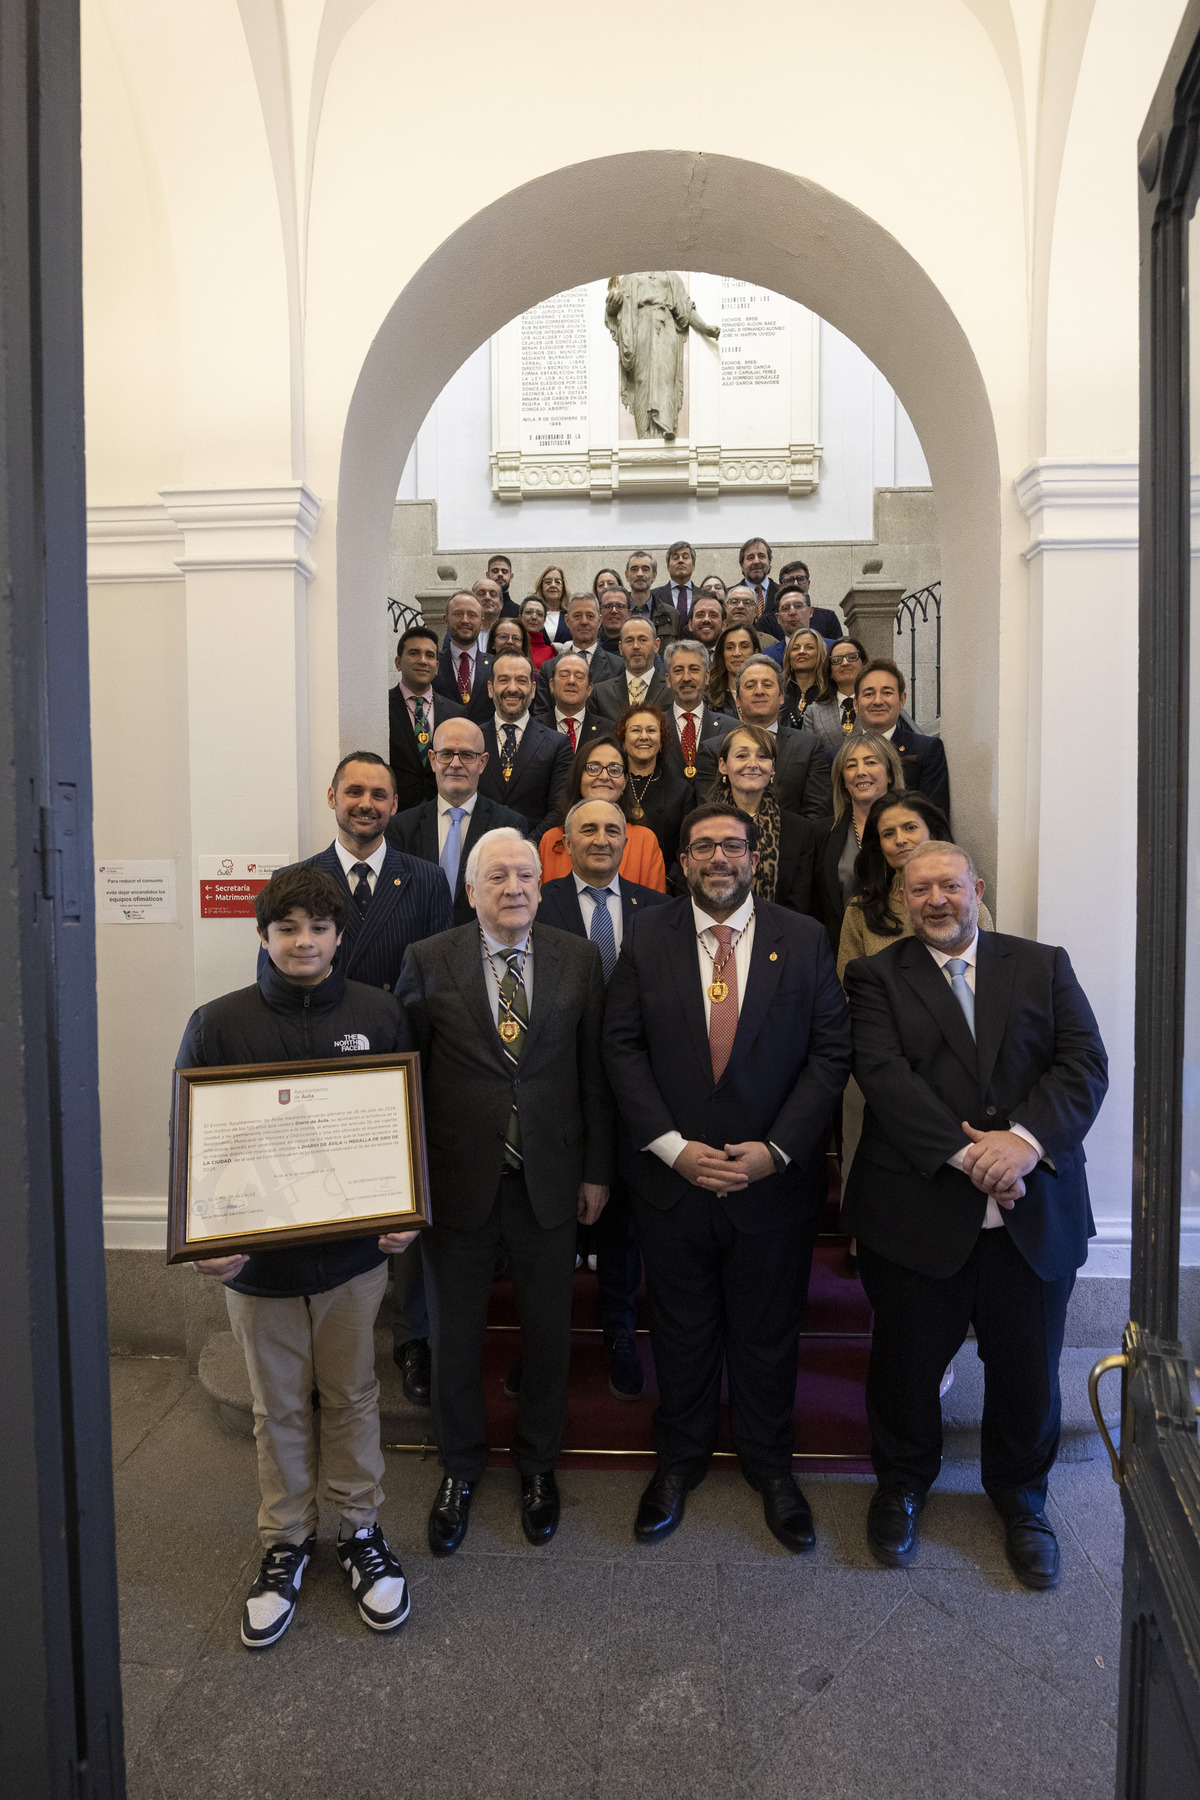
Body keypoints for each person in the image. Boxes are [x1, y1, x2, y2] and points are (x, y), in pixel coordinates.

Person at [842, 842, 1109, 1588]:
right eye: (920, 888)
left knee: (1028, 1374)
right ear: (901, 897)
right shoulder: (873, 979)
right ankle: (900, 1487)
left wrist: (1021, 1144)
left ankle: (1023, 1499)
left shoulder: (1042, 964)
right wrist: (975, 1160)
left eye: (950, 886)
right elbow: (884, 1079)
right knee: (904, 1366)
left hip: (1034, 1214)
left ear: (976, 889)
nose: (936, 899)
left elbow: (1083, 1064)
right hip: (916, 1212)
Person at [603, 803, 852, 1551]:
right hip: (674, 1181)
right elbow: (621, 1048)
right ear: (682, 861)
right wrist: (672, 1147)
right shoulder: (646, 935)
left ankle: (770, 1466)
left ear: (754, 859)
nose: (719, 857)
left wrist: (776, 1151)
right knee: (679, 1333)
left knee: (768, 1333)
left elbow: (830, 1054)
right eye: (704, 846)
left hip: (769, 1185)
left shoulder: (803, 939)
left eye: (732, 846)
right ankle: (676, 1464)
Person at [181, 865, 418, 1649]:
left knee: (351, 1398)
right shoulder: (218, 1022)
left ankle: (357, 1531)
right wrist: (206, 1239)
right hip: (261, 1269)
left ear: (339, 935)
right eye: (288, 928)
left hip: (353, 1260)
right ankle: (284, 1543)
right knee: (276, 1406)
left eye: (319, 928)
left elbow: (405, 1127)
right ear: (263, 935)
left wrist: (408, 1213)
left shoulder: (380, 1014)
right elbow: (194, 1145)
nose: (304, 941)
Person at [397, 829, 614, 1555]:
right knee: (454, 1339)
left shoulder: (578, 959)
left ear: (542, 884)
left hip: (549, 1181)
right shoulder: (428, 961)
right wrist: (408, 1180)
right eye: (497, 876)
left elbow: (594, 1073)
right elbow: (408, 1079)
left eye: (526, 873)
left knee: (548, 1336)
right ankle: (459, 1469)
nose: (515, 887)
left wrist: (596, 1171)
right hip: (458, 1183)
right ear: (470, 889)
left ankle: (537, 1466)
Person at [537, 798, 671, 1396]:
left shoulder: (660, 911)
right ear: (565, 842)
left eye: (612, 829)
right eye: (587, 828)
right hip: (556, 1089)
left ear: (627, 840)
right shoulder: (538, 905)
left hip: (635, 1093)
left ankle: (619, 1329)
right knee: (551, 1224)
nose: (601, 838)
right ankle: (546, 1343)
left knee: (621, 1225)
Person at [386, 716, 528, 928]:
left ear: (482, 762)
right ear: (433, 760)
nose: (455, 764)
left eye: (466, 755)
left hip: (481, 946)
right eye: (446, 754)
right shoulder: (401, 827)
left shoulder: (508, 825)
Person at [837, 792, 992, 975]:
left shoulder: (969, 906)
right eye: (888, 834)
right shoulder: (859, 913)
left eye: (910, 828)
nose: (900, 840)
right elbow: (849, 988)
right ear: (879, 846)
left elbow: (989, 979)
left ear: (932, 834)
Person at [693, 656, 834, 820]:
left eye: (767, 685)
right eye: (750, 686)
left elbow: (817, 814)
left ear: (781, 696)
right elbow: (708, 813)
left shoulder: (809, 746)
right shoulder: (713, 749)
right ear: (737, 700)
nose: (759, 691)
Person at [705, 724, 821, 914]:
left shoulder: (799, 830)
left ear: (773, 767)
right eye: (742, 755)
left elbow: (800, 904)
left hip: (778, 935)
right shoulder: (701, 826)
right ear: (723, 766)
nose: (753, 763)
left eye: (762, 756)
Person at [538, 733, 666, 891]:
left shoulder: (645, 841)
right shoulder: (550, 840)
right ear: (578, 776)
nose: (604, 776)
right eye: (593, 768)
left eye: (614, 769)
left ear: (625, 781)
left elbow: (655, 909)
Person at [816, 733, 905, 952]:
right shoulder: (820, 833)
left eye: (871, 762)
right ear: (843, 780)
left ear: (891, 774)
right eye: (851, 765)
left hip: (903, 952)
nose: (861, 772)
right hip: (840, 954)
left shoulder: (916, 829)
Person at [478, 651, 572, 842]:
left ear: (533, 689)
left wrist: (525, 846)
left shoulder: (557, 744)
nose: (512, 688)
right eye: (503, 680)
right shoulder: (472, 739)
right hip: (477, 853)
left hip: (534, 856)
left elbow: (559, 809)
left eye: (521, 680)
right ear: (490, 688)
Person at [854, 658, 951, 818]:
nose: (878, 701)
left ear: (902, 700)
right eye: (869, 694)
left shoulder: (927, 750)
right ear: (856, 704)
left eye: (887, 693)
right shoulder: (837, 756)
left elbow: (935, 818)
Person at [389, 622, 467, 813]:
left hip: (442, 811)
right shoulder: (382, 708)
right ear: (398, 662)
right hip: (395, 812)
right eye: (414, 653)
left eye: (430, 655)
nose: (423, 660)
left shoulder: (455, 712)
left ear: (437, 666)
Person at [615, 702, 691, 875]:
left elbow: (685, 847)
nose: (644, 737)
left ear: (661, 741)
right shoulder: (610, 783)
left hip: (664, 883)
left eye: (651, 730)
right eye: (635, 730)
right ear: (623, 741)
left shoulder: (681, 791)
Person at [661, 639, 729, 782]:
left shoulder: (730, 729)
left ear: (706, 677)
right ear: (668, 679)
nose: (686, 678)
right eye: (678, 670)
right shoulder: (654, 726)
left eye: (694, 669)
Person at [591, 616, 669, 720]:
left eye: (642, 640)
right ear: (620, 648)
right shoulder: (600, 694)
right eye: (629, 641)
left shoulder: (672, 691)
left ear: (656, 645)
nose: (636, 646)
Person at [433, 592, 494, 723]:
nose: (465, 620)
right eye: (458, 614)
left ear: (481, 622)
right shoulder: (432, 663)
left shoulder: (495, 665)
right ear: (446, 619)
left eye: (472, 615)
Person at [800, 636, 869, 749]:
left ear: (864, 664)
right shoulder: (813, 712)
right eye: (837, 660)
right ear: (830, 671)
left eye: (852, 657)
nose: (845, 663)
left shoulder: (877, 704)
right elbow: (808, 754)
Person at [533, 648, 603, 753]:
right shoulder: (532, 728)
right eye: (564, 675)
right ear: (552, 685)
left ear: (589, 689)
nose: (571, 681)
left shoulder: (607, 730)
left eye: (579, 677)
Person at [779, 628, 834, 731]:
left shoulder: (830, 690)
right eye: (795, 648)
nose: (801, 652)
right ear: (788, 656)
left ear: (820, 654)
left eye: (809, 647)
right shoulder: (777, 689)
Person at [777, 559, 843, 639]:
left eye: (801, 579)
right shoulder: (768, 621)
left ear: (808, 584)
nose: (795, 584)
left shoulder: (828, 618)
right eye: (789, 580)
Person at [706, 623, 761, 715]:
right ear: (722, 654)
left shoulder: (769, 693)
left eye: (744, 646)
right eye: (730, 647)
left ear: (756, 653)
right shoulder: (708, 698)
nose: (736, 653)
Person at [763, 587, 822, 671]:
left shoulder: (830, 649)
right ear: (778, 618)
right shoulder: (767, 656)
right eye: (785, 608)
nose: (792, 612)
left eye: (798, 606)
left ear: (810, 612)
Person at [624, 550, 677, 642]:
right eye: (634, 569)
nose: (640, 574)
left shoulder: (671, 614)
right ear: (627, 575)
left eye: (645, 569)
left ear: (654, 575)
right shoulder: (618, 612)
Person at [650, 539, 698, 633]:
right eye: (675, 558)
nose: (680, 561)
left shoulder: (703, 595)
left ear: (693, 565)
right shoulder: (654, 596)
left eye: (685, 557)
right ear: (668, 567)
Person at [529, 566, 571, 646]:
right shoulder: (531, 615)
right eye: (548, 582)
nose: (553, 585)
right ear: (541, 586)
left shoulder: (571, 614)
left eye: (558, 581)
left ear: (563, 587)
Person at [737, 536, 778, 613]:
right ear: (741, 565)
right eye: (750, 557)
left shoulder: (782, 594)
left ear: (769, 562)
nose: (756, 561)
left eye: (761, 556)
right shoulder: (729, 597)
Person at [519, 596, 557, 670]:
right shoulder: (511, 644)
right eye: (529, 612)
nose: (534, 617)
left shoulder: (550, 652)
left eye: (539, 614)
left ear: (544, 621)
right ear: (519, 617)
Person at [471, 576, 505, 650]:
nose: (487, 597)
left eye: (493, 594)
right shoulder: (460, 631)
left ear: (501, 604)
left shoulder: (509, 635)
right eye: (481, 594)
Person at [485, 552, 520, 617]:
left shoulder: (519, 612)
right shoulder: (478, 609)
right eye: (495, 571)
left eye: (504, 571)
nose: (500, 574)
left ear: (511, 577)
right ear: (488, 575)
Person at [597, 587, 630, 653]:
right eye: (608, 606)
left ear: (629, 614)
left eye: (620, 606)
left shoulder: (640, 649)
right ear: (600, 612)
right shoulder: (590, 650)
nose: (614, 611)